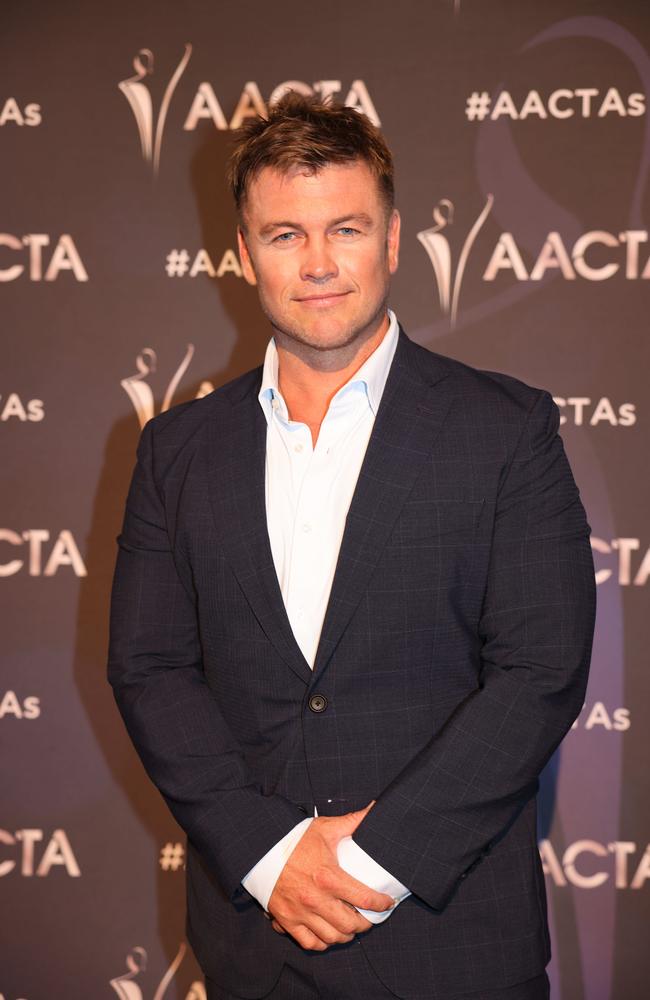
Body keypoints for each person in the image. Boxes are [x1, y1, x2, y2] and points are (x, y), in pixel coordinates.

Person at [108, 93, 596, 1000]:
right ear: (245, 253)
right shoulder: (176, 452)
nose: (321, 263)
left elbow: (541, 670)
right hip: (257, 943)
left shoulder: (506, 429)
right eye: (287, 234)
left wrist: (373, 865)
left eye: (347, 228)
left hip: (454, 947)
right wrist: (268, 857)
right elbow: (149, 671)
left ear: (395, 238)